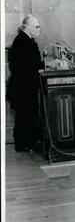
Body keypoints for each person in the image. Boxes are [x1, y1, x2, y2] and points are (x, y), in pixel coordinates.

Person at [7, 14, 44, 152]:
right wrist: (45, 65)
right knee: (26, 115)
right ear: (27, 27)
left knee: (25, 115)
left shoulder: (24, 40)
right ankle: (25, 143)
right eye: (36, 26)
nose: (38, 29)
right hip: (24, 87)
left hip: (23, 86)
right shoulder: (24, 41)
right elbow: (30, 65)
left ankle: (24, 143)